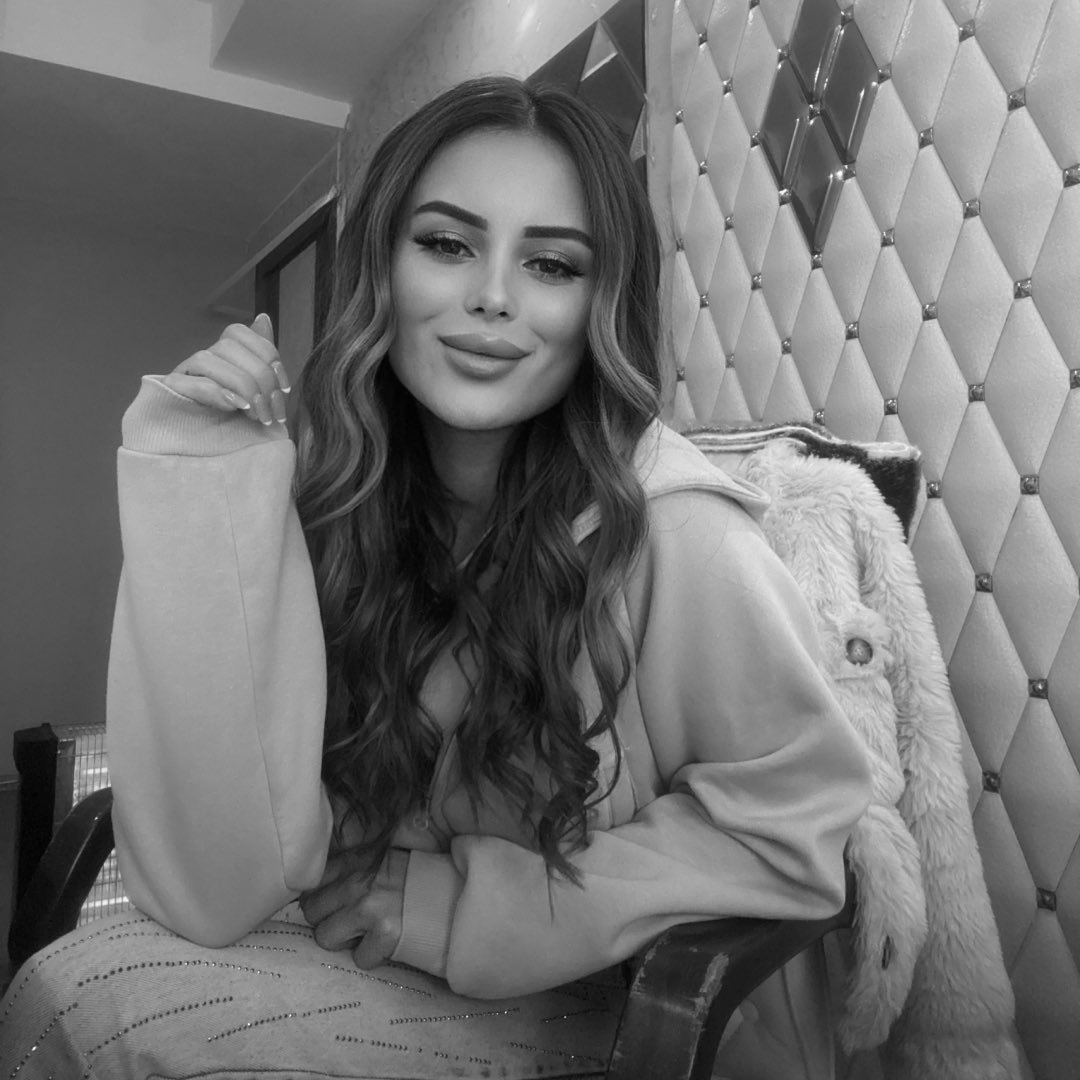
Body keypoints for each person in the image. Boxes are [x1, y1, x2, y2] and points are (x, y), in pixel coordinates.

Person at [0, 75, 871, 1078]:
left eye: (552, 263)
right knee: (76, 986)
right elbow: (212, 885)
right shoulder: (345, 511)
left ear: (600, 302)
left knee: (110, 1017)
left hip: (621, 1005)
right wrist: (205, 491)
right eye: (448, 244)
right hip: (376, 954)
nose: (493, 295)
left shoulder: (679, 530)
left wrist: (463, 905)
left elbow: (794, 834)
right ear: (381, 267)